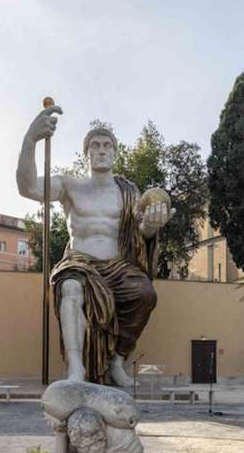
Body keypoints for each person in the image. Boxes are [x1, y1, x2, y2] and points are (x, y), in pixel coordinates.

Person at [17, 107, 173, 386]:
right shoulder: (70, 186)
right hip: (79, 262)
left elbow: (140, 233)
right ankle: (76, 368)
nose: (101, 150)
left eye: (107, 145)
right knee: (70, 288)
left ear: (115, 152)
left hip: (119, 266)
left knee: (146, 294)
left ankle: (117, 363)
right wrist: (31, 139)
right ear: (86, 153)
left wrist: (153, 225)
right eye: (95, 146)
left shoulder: (129, 192)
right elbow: (27, 187)